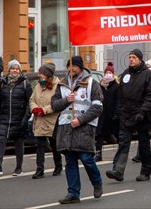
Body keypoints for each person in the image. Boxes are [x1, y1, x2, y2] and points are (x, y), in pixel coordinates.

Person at [51, 55, 104, 204]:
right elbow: (54, 105)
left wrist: (80, 120)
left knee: (86, 158)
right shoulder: (62, 85)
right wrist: (66, 100)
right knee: (70, 161)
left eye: (74, 66)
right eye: (69, 65)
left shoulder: (91, 83)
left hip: (84, 127)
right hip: (66, 127)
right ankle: (73, 193)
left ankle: (97, 182)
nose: (71, 68)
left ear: (80, 67)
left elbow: (98, 107)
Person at [106, 49, 151, 182]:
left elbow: (150, 97)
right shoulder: (126, 74)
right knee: (123, 143)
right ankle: (118, 170)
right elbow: (120, 95)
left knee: (144, 145)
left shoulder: (148, 75)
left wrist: (142, 112)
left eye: (134, 57)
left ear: (140, 59)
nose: (131, 59)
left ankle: (146, 171)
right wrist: (119, 111)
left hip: (141, 115)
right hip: (126, 115)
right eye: (129, 57)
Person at [0, 59, 32, 176]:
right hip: (5, 117)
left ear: (20, 70)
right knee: (1, 140)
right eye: (12, 68)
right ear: (8, 70)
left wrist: (26, 116)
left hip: (19, 117)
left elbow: (30, 102)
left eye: (17, 68)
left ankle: (19, 168)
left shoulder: (25, 83)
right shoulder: (3, 83)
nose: (14, 71)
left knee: (18, 142)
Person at [30, 62, 63, 179]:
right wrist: (34, 108)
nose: (39, 75)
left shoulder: (58, 86)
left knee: (54, 145)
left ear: (48, 75)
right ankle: (40, 169)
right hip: (39, 120)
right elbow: (32, 99)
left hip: (52, 120)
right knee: (40, 145)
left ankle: (58, 165)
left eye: (41, 73)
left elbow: (57, 103)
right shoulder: (38, 86)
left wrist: (44, 110)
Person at [96, 62, 119, 162]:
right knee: (99, 135)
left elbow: (119, 100)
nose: (108, 74)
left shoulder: (117, 86)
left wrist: (117, 113)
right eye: (106, 72)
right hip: (102, 115)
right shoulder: (100, 86)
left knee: (118, 135)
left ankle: (120, 154)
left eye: (110, 72)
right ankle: (98, 154)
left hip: (113, 115)